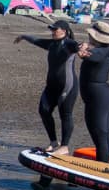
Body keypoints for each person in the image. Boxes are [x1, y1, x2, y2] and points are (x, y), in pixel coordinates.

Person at [14, 19, 79, 154]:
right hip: (51, 86)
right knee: (44, 110)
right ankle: (54, 143)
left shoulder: (69, 44)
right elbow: (36, 40)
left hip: (67, 86)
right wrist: (23, 36)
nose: (53, 31)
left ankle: (65, 146)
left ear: (64, 31)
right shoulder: (51, 44)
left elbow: (78, 46)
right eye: (52, 29)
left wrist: (83, 48)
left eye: (55, 29)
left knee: (65, 115)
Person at [76, 20, 109, 164]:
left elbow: (91, 55)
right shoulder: (108, 50)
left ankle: (103, 166)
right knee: (96, 133)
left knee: (101, 134)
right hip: (94, 97)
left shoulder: (100, 51)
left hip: (100, 98)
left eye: (91, 36)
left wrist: (83, 52)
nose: (89, 38)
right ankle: (103, 162)